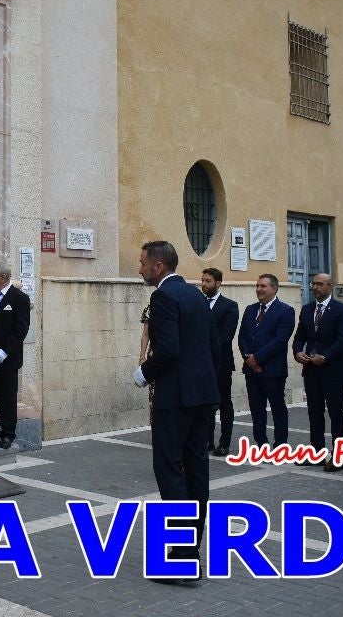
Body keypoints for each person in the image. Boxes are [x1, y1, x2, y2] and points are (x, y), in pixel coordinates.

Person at [132, 241, 218, 585]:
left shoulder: (163, 297)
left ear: (158, 266)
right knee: (196, 469)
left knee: (169, 469)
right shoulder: (196, 295)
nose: (139, 269)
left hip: (176, 397)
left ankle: (182, 558)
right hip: (201, 395)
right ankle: (190, 550)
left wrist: (144, 373)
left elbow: (167, 350)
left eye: (142, 263)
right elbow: (213, 347)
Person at [292, 273, 343, 470]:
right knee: (314, 413)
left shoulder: (342, 310)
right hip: (311, 370)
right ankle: (317, 452)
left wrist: (325, 356)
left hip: (334, 371)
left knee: (336, 413)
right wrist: (297, 352)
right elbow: (299, 336)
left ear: (330, 286)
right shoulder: (307, 309)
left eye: (319, 284)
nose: (315, 287)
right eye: (313, 284)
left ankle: (338, 456)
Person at [238, 274, 295, 447]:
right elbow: (242, 337)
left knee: (277, 408)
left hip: (273, 370)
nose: (259, 290)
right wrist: (249, 358)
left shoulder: (285, 311)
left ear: (274, 288)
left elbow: (280, 340)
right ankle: (261, 443)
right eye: (257, 286)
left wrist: (258, 358)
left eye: (263, 286)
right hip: (251, 369)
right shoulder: (250, 309)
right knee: (256, 409)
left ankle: (280, 444)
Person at [0, 260, 31, 450]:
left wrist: (6, 350)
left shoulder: (19, 298)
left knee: (6, 399)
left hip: (6, 359)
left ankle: (7, 434)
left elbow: (21, 329)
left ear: (2, 278)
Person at [200, 268, 239, 456]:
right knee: (204, 403)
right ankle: (207, 440)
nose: (204, 284)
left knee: (224, 404)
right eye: (203, 280)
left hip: (221, 364)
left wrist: (204, 349)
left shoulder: (230, 306)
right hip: (201, 364)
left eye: (208, 281)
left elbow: (226, 336)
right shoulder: (198, 303)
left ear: (218, 283)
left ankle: (224, 443)